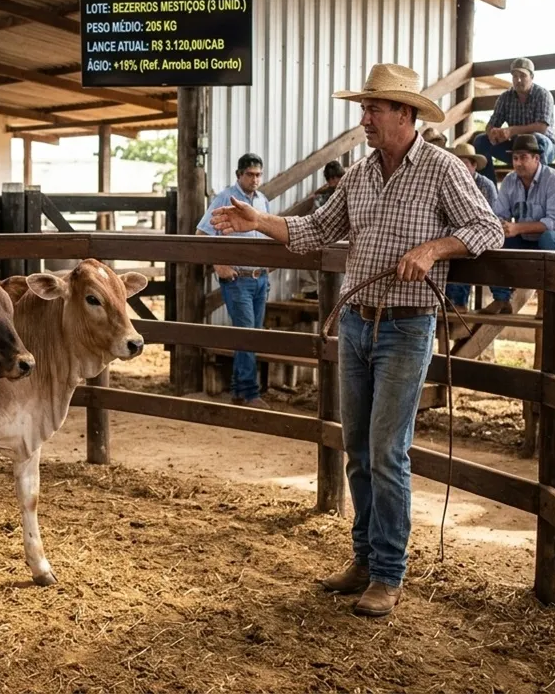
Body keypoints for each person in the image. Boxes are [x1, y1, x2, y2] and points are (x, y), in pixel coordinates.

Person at [210, 63, 503, 617]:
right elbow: (316, 232)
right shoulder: (362, 175)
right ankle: (365, 560)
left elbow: (486, 228)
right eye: (364, 108)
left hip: (407, 323)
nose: (364, 118)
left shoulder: (441, 169)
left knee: (387, 450)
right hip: (356, 322)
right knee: (358, 446)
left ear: (405, 114)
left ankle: (389, 573)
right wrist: (257, 220)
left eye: (374, 108)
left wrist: (434, 249)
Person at [197, 152, 271, 409]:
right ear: (239, 175)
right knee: (247, 334)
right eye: (250, 174)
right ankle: (250, 393)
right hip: (238, 278)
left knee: (252, 334)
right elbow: (202, 233)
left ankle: (240, 390)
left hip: (259, 277)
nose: (255, 179)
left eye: (259, 174)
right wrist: (220, 265)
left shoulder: (262, 201)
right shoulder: (225, 199)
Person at [479, 134, 555, 313]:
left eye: (523, 157)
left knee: (548, 238)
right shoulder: (510, 180)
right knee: (494, 237)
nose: (518, 163)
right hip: (526, 239)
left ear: (536, 158)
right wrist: (501, 226)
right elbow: (499, 214)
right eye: (515, 158)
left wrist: (516, 228)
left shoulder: (553, 179)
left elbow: (554, 223)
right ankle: (501, 299)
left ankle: (546, 302)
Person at [474, 57, 555, 169]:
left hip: (546, 146)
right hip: (516, 146)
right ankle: (488, 185)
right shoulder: (505, 97)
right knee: (481, 141)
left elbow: (541, 128)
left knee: (537, 138)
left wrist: (511, 131)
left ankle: (539, 183)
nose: (518, 80)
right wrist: (493, 133)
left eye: (523, 76)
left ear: (531, 77)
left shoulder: (543, 95)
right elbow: (491, 124)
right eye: (515, 76)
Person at [443, 144, 498, 314]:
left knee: (464, 246)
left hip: (479, 233)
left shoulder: (485, 185)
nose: (460, 166)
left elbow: (492, 218)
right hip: (453, 231)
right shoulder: (450, 182)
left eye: (465, 162)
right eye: (457, 162)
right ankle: (444, 300)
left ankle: (458, 301)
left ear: (474, 165)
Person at [297, 160, 346, 300]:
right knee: (305, 250)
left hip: (344, 236)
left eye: (337, 178)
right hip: (326, 234)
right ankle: (311, 288)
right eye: (331, 179)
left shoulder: (351, 191)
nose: (334, 181)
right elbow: (318, 216)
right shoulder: (322, 197)